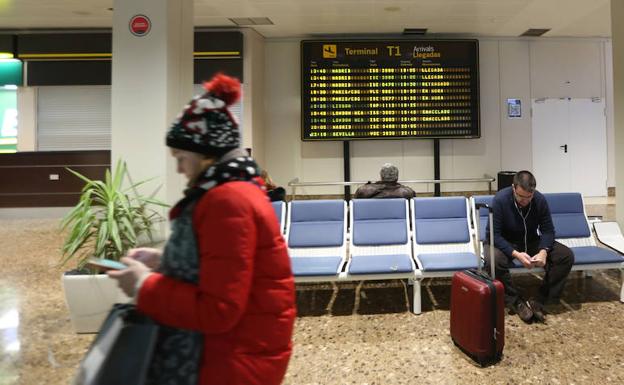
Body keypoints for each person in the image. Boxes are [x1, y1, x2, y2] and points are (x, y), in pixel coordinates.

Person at [108, 73, 296, 385]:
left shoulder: (227, 201)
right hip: (239, 351)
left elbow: (219, 310)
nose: (179, 169)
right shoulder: (238, 190)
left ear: (207, 154)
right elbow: (225, 266)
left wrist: (144, 286)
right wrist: (163, 262)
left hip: (228, 361)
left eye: (181, 158)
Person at [484, 170, 574, 323]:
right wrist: (516, 254)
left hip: (531, 241)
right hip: (503, 242)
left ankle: (538, 300)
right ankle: (515, 301)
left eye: (529, 197)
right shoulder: (500, 200)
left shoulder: (539, 200)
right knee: (494, 260)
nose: (524, 201)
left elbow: (548, 230)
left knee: (565, 256)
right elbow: (493, 235)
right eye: (520, 196)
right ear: (514, 188)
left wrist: (543, 251)